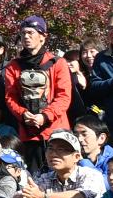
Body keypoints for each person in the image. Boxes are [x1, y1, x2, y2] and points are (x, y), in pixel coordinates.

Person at [4, 16, 73, 170]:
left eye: (30, 33)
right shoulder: (13, 66)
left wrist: (45, 116)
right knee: (34, 178)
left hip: (56, 132)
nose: (26, 37)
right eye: (23, 34)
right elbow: (10, 97)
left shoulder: (58, 63)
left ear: (43, 37)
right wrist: (22, 114)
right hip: (28, 134)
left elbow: (64, 96)